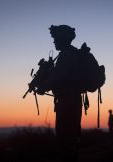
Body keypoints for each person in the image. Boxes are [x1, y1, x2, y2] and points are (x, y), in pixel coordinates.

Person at [37, 25, 83, 162]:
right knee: (70, 137)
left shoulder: (66, 55)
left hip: (68, 102)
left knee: (65, 138)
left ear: (63, 39)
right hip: (70, 100)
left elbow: (58, 76)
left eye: (56, 39)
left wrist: (43, 87)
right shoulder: (70, 53)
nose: (54, 42)